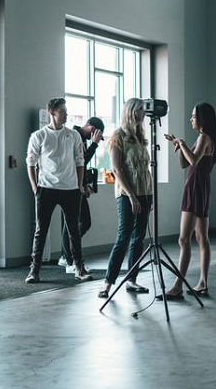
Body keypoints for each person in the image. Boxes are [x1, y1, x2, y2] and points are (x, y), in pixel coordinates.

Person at [25, 98, 92, 283]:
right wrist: (34, 187)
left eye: (66, 111)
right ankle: (34, 271)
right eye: (62, 111)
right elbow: (30, 162)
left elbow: (80, 161)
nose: (66, 114)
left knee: (74, 231)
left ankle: (79, 268)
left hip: (71, 189)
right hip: (46, 189)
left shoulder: (74, 135)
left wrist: (79, 185)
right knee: (41, 231)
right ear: (52, 113)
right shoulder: (39, 136)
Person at [161, 102, 216, 299]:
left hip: (194, 189)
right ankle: (202, 283)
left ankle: (178, 285)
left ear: (202, 119)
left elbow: (193, 160)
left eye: (194, 116)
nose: (191, 119)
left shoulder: (204, 137)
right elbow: (184, 163)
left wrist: (183, 144)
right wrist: (178, 145)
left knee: (183, 239)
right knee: (201, 238)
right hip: (200, 188)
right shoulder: (203, 138)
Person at [98, 98, 153, 298]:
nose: (144, 114)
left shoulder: (140, 137)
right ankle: (107, 282)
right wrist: (132, 196)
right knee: (124, 237)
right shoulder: (118, 136)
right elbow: (117, 169)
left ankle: (132, 280)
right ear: (131, 112)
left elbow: (145, 168)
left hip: (145, 192)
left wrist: (149, 196)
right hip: (127, 194)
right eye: (140, 110)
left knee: (138, 238)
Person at [58, 116, 104, 274]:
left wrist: (85, 185)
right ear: (92, 129)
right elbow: (81, 161)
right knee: (73, 225)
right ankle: (69, 259)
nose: (95, 138)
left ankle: (67, 254)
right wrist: (95, 144)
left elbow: (80, 165)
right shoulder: (73, 135)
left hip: (78, 187)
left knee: (83, 223)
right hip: (70, 187)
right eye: (96, 135)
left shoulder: (81, 138)